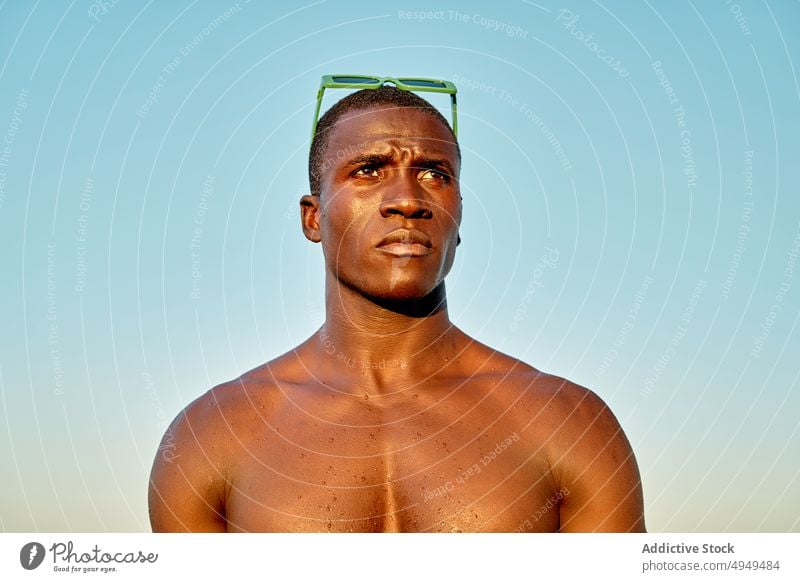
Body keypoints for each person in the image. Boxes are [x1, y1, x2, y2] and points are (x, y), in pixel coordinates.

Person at [148, 78, 645, 533]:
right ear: (313, 217)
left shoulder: (569, 423)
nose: (407, 199)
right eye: (368, 171)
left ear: (459, 216)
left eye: (433, 174)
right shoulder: (212, 435)